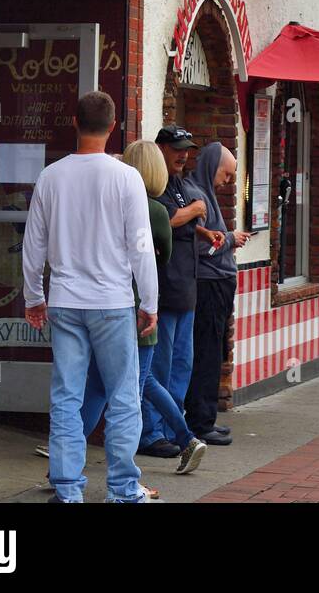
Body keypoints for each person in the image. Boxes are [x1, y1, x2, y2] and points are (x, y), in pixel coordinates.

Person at [22, 91, 158, 504]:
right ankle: (121, 488)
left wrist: (33, 296)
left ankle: (67, 489)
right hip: (113, 302)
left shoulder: (51, 176)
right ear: (113, 127)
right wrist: (149, 301)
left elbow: (34, 245)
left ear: (75, 124)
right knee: (122, 395)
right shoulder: (126, 178)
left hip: (64, 300)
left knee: (66, 395)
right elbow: (140, 245)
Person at [80, 138, 206, 476]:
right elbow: (161, 256)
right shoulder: (157, 212)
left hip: (105, 305)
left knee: (105, 385)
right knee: (139, 383)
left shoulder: (109, 204)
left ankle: (78, 454)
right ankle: (186, 438)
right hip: (143, 307)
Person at [139, 126, 224, 458]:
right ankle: (151, 433)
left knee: (180, 368)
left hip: (186, 291)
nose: (183, 154)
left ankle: (173, 430)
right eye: (177, 148)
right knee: (157, 370)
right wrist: (194, 211)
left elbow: (181, 221)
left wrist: (201, 231)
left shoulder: (178, 184)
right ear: (160, 148)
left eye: (187, 149)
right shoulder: (152, 187)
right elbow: (163, 219)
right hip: (163, 293)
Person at [184, 142, 251, 445]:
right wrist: (229, 241)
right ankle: (200, 422)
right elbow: (202, 246)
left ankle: (205, 417)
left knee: (212, 354)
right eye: (226, 174)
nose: (227, 181)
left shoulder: (204, 195)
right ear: (212, 167)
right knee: (207, 355)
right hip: (209, 287)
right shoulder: (197, 197)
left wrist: (227, 241)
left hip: (216, 286)